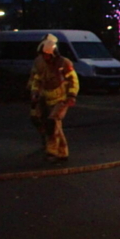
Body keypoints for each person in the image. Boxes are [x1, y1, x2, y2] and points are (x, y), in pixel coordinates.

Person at [29, 33, 79, 163]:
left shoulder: (64, 63)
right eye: (43, 55)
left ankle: (52, 152)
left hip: (61, 98)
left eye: (47, 55)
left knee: (52, 123)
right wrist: (34, 92)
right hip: (45, 97)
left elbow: (73, 80)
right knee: (44, 121)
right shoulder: (40, 62)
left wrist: (72, 95)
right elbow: (37, 79)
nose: (45, 58)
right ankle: (62, 152)